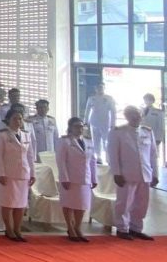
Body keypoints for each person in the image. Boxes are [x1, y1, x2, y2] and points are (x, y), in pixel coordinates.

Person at [108, 106, 158, 241]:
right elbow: (112, 155)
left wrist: (155, 174)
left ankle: (136, 228)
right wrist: (116, 173)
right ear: (126, 116)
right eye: (131, 115)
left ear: (142, 116)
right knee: (124, 203)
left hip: (145, 173)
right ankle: (122, 229)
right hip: (126, 174)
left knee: (142, 204)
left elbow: (153, 155)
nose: (135, 117)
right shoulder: (118, 132)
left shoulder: (147, 131)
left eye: (138, 114)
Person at [0, 109, 35, 243]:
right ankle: (9, 229)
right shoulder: (2, 135)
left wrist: (33, 173)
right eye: (15, 118)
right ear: (8, 120)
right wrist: (1, 173)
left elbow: (30, 156)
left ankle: (18, 229)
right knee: (8, 203)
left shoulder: (26, 135)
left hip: (23, 173)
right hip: (8, 173)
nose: (18, 121)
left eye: (20, 119)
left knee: (21, 204)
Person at [55, 117, 97, 243]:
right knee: (69, 203)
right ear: (70, 127)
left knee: (82, 204)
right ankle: (70, 227)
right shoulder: (65, 141)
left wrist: (94, 178)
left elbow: (92, 161)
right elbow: (61, 161)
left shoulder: (88, 141)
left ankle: (77, 227)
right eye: (77, 126)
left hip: (85, 177)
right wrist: (64, 178)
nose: (80, 129)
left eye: (81, 126)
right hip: (70, 177)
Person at [84, 83, 116, 163]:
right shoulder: (91, 98)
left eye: (101, 87)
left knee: (106, 140)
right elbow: (87, 111)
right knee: (95, 140)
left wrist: (113, 124)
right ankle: (98, 157)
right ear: (95, 89)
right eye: (98, 87)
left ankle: (108, 158)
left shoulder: (109, 98)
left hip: (105, 122)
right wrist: (86, 122)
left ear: (104, 88)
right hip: (94, 122)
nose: (100, 89)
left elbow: (113, 111)